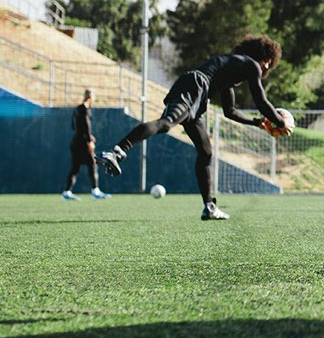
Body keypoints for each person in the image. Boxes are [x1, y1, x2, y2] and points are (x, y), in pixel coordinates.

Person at [95, 35, 292, 220]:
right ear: (262, 57)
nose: (267, 66)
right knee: (166, 124)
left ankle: (210, 207)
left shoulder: (231, 70)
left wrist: (258, 122)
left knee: (205, 151)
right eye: (267, 61)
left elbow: (230, 111)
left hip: (197, 95)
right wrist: (280, 121)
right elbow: (261, 101)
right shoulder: (250, 65)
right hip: (195, 87)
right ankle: (117, 152)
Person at [61, 88, 110, 200]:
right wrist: (89, 141)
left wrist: (86, 136)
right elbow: (86, 127)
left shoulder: (77, 109)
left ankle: (67, 192)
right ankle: (95, 191)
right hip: (83, 144)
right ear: (90, 97)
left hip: (76, 142)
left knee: (75, 168)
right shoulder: (85, 110)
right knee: (92, 165)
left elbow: (74, 126)